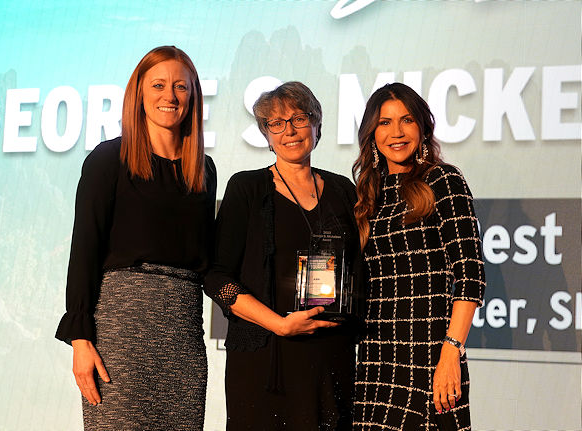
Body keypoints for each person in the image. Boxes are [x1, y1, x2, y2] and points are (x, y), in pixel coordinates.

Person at [55, 46, 216, 430]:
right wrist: (81, 340)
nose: (170, 96)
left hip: (183, 335)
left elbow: (208, 261)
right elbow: (85, 250)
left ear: (193, 96)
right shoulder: (109, 159)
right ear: (138, 94)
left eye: (181, 86)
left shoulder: (203, 170)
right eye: (158, 85)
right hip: (121, 334)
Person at [205, 81, 359, 430]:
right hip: (266, 358)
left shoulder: (343, 191)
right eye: (276, 123)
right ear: (266, 134)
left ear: (316, 126)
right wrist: (279, 324)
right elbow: (217, 278)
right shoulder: (247, 188)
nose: (289, 130)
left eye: (299, 119)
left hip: (330, 357)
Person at [352, 82, 485, 430]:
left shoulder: (443, 180)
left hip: (430, 358)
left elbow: (470, 277)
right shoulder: (368, 195)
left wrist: (451, 351)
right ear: (371, 133)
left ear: (422, 128)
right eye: (384, 122)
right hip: (374, 360)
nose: (396, 132)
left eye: (406, 120)